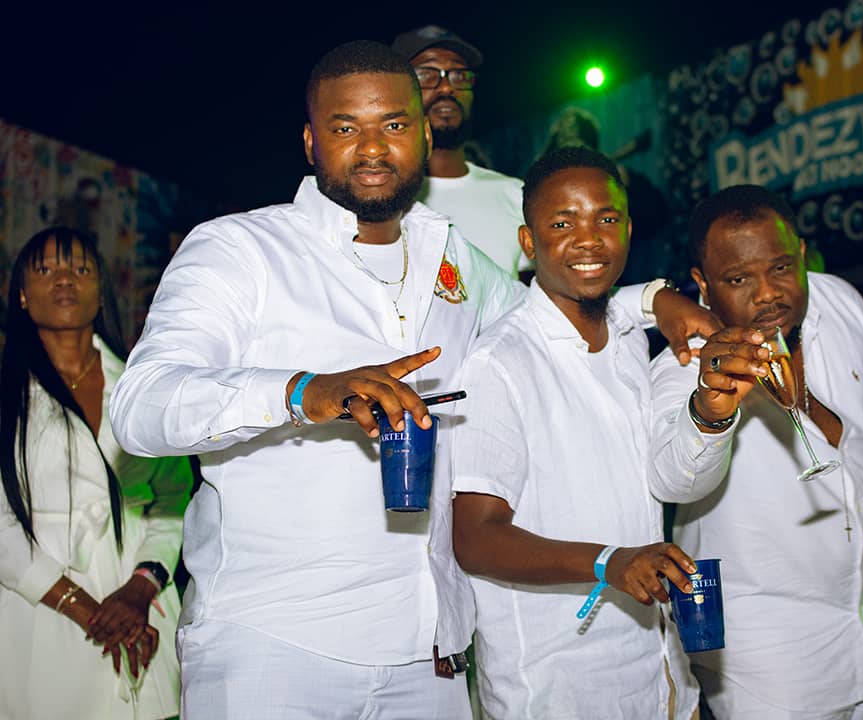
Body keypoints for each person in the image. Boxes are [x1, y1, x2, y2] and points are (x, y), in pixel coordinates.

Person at [109, 40, 715, 718]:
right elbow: (139, 406)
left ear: (425, 135)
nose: (373, 147)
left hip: (427, 657)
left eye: (394, 124)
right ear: (310, 142)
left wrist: (651, 299)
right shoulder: (240, 249)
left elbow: (543, 319)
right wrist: (305, 392)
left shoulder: (449, 255)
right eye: (347, 127)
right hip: (274, 645)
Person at [650, 185, 863, 719]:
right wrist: (710, 409)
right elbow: (674, 481)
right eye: (739, 279)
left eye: (781, 267)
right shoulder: (682, 370)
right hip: (771, 655)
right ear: (702, 284)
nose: (768, 294)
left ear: (800, 252)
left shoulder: (839, 304)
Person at [450, 147, 699, 718]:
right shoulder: (499, 363)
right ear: (529, 242)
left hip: (658, 671)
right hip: (559, 685)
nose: (589, 239)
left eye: (605, 219)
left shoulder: (628, 340)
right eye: (563, 224)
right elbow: (476, 537)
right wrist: (610, 561)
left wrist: (659, 297)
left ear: (627, 230)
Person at [0, 227, 191, 719]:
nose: (65, 278)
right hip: (39, 604)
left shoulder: (141, 389)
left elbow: (173, 498)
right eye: (46, 269)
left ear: (100, 291)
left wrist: (139, 589)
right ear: (22, 295)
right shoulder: (6, 396)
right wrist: (90, 612)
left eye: (80, 268)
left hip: (141, 605)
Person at [392, 25, 530, 278]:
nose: (447, 88)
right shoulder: (380, 199)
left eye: (459, 75)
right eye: (426, 74)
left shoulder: (515, 195)